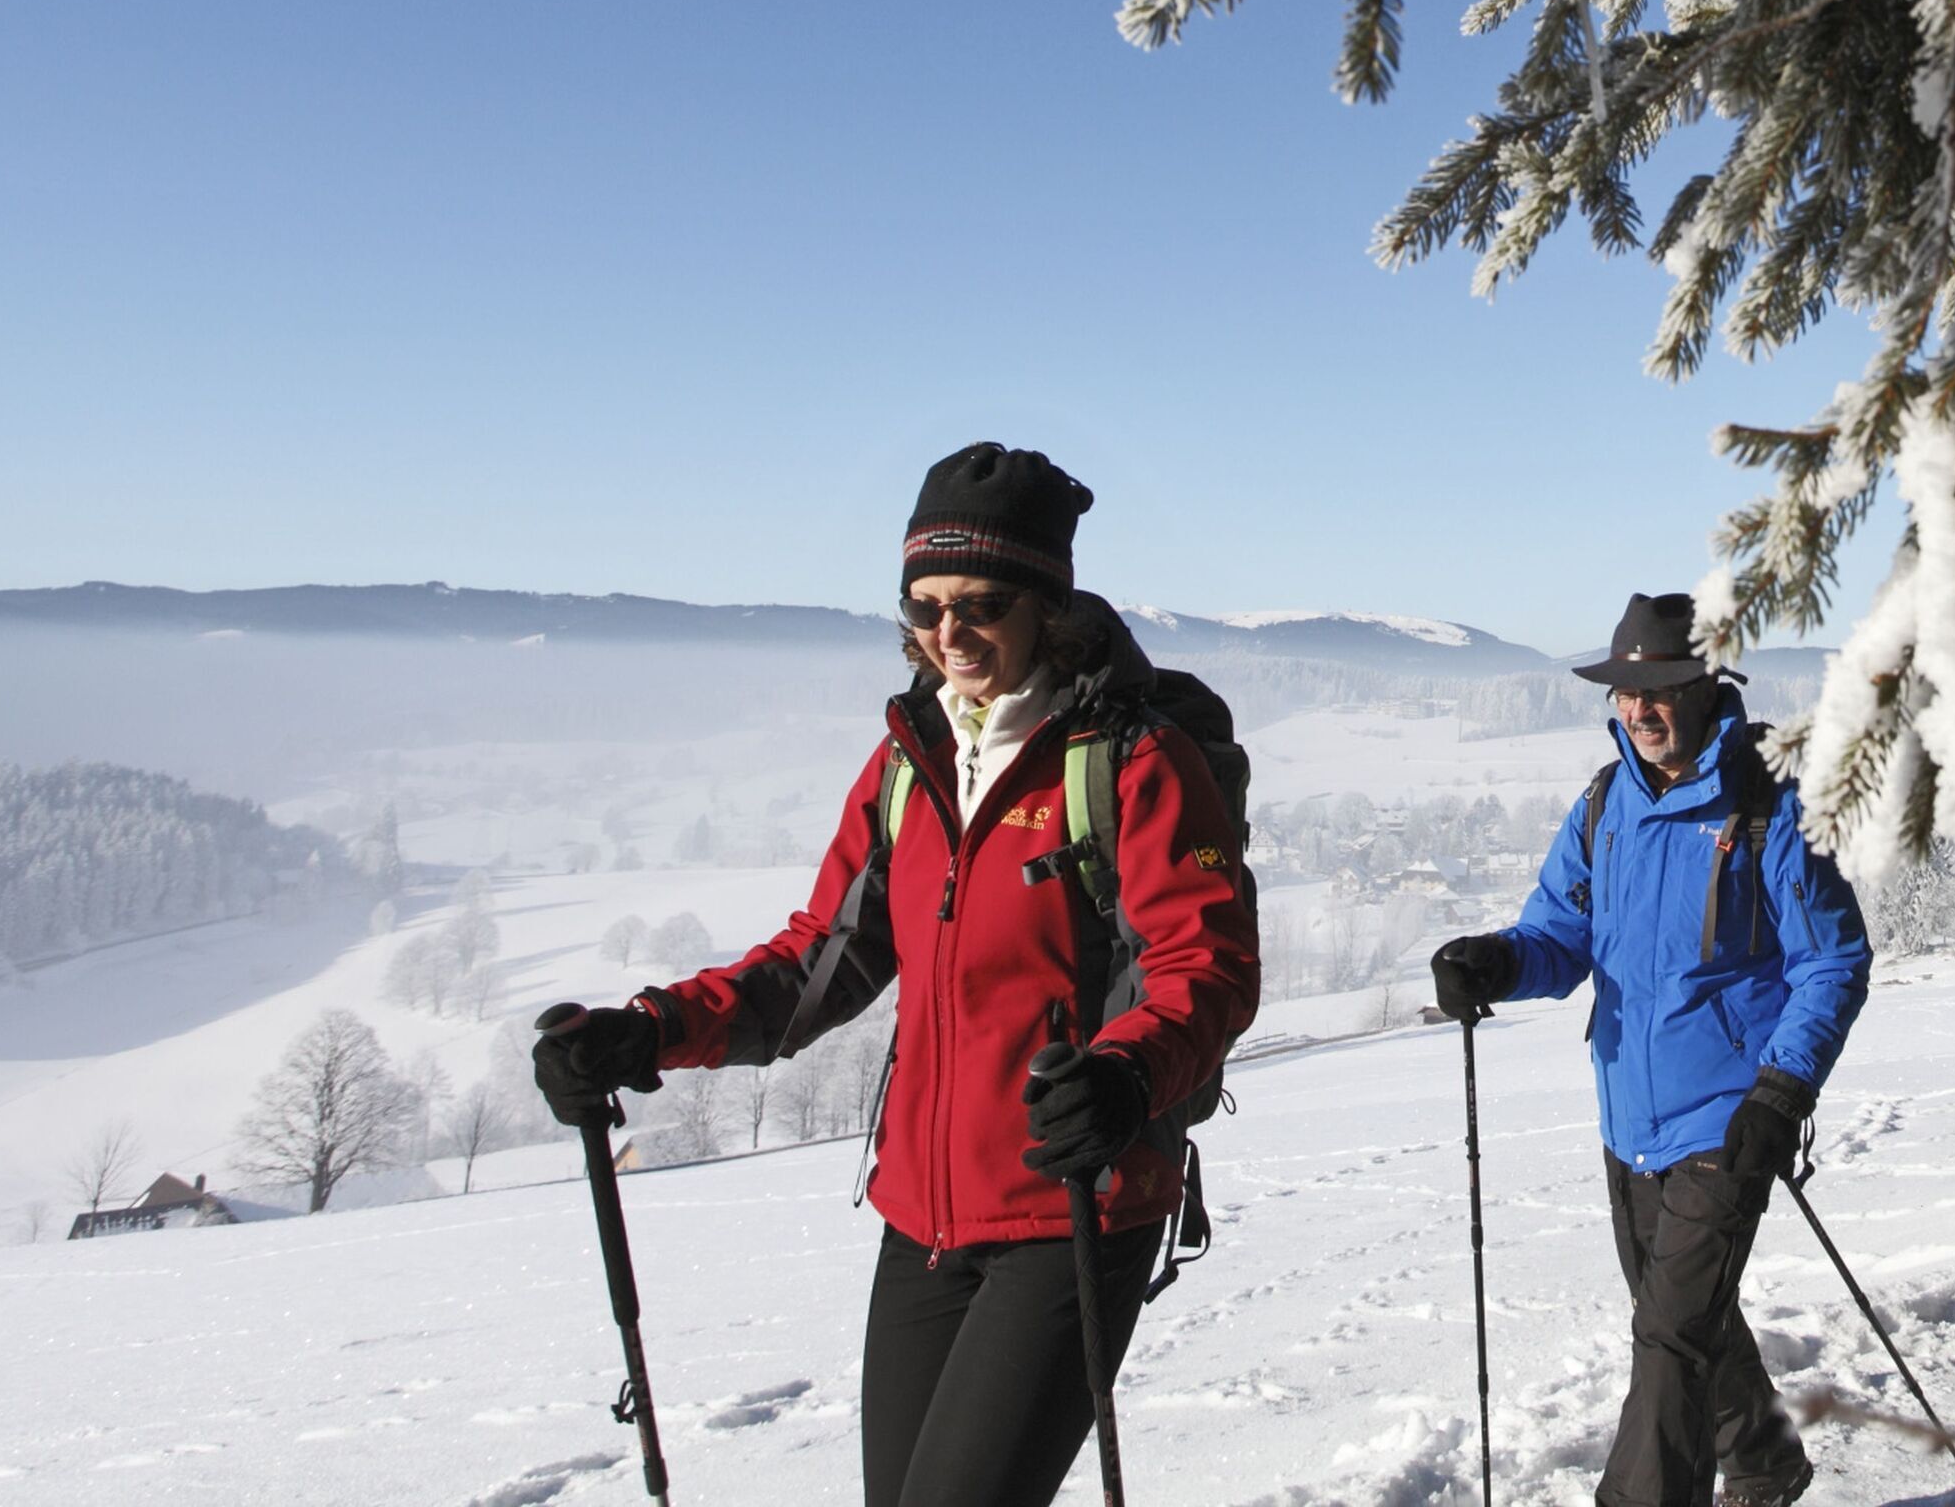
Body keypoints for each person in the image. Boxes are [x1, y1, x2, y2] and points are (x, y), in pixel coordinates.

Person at [532, 443, 1257, 1507]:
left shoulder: (1129, 759)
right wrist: (648, 1030)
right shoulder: (910, 763)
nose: (948, 633)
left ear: (1046, 606)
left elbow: (1209, 967)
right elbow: (816, 960)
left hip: (1075, 1200)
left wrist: (1125, 1074)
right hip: (922, 1216)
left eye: (981, 603)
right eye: (923, 607)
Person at [1430, 591, 1873, 1507]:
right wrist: (1497, 962)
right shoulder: (1605, 804)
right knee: (1679, 1315)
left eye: (1662, 687)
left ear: (1709, 686)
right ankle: (1762, 1459)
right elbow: (1559, 935)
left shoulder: (1770, 806)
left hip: (1729, 1116)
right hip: (1629, 1116)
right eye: (1627, 692)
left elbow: (1834, 960)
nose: (1640, 709)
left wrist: (1781, 1095)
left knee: (1668, 1341)